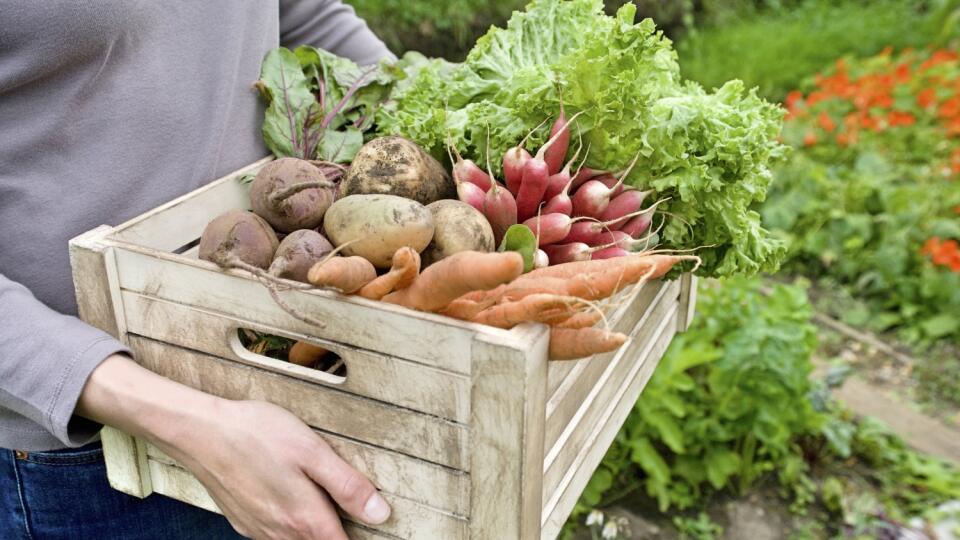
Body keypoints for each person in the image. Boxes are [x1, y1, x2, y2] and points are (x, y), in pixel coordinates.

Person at [0, 2, 397, 539]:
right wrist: (192, 426)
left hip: (284, 365)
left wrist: (430, 116)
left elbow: (304, 13)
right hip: (102, 455)